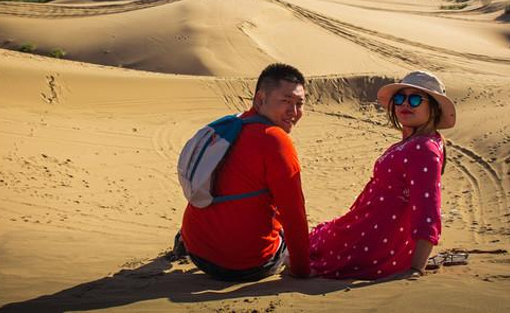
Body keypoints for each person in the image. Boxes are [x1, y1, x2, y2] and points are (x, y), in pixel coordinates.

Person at [308, 70, 456, 280]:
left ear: (432, 108)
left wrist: (416, 268)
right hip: (366, 226)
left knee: (308, 257)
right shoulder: (417, 141)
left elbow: (428, 209)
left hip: (376, 241)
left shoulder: (424, 149)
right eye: (399, 98)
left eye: (415, 99)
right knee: (312, 242)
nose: (405, 104)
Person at [179, 63, 312, 281]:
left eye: (299, 103)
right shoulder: (275, 140)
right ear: (260, 99)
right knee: (290, 233)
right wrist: (302, 270)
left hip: (198, 252)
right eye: (286, 101)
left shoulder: (232, 125)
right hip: (248, 264)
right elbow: (293, 214)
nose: (294, 112)